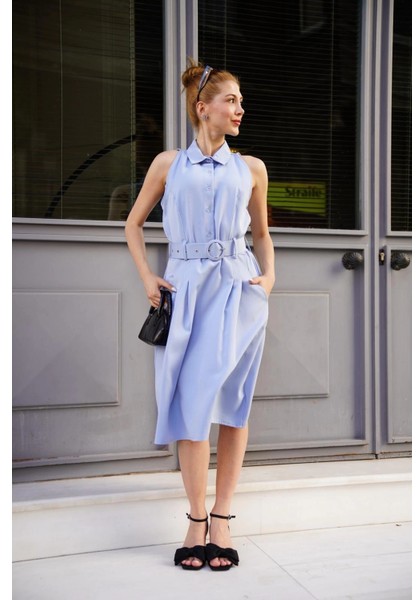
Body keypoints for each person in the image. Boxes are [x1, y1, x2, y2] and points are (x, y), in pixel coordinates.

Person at [125, 61, 275, 571]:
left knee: (233, 402)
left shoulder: (251, 168)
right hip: (186, 289)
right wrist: (148, 277)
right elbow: (132, 224)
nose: (240, 109)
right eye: (231, 100)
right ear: (202, 107)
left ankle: (223, 517)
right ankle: (195, 519)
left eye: (240, 101)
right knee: (191, 402)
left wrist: (269, 278)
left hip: (238, 289)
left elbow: (261, 234)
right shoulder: (169, 164)